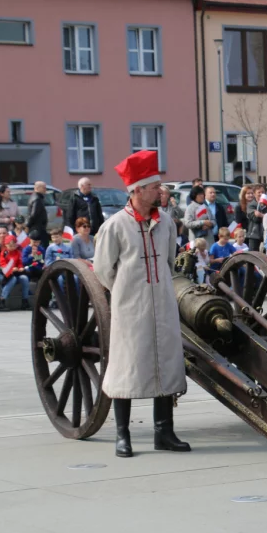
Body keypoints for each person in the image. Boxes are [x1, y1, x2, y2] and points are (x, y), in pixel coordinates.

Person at [94, 150, 190, 458]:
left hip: (162, 303)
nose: (161, 191)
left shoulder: (166, 223)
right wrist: (126, 291)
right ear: (137, 190)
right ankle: (123, 435)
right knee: (128, 367)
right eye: (154, 186)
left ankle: (165, 432)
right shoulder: (115, 226)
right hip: (131, 307)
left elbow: (167, 260)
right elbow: (103, 269)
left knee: (165, 363)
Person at [0, 234, 31, 311]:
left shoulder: (17, 252)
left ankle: (25, 300)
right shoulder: (4, 253)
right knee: (13, 279)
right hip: (8, 274)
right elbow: (2, 264)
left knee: (24, 278)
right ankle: (2, 300)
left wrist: (20, 268)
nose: (12, 247)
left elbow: (20, 262)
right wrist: (12, 269)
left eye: (14, 245)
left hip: (17, 273)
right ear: (6, 245)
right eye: (10, 245)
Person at [26, 181, 49, 247]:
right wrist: (28, 225)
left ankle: (39, 257)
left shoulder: (35, 197)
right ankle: (39, 257)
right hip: (37, 228)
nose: (45, 189)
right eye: (44, 188)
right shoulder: (37, 199)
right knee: (39, 246)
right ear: (38, 188)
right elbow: (34, 214)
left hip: (37, 228)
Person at [246, 187, 267, 253]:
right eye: (259, 192)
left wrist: (261, 215)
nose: (261, 194)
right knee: (253, 256)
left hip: (265, 234)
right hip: (254, 235)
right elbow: (256, 219)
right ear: (255, 194)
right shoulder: (251, 205)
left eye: (263, 192)